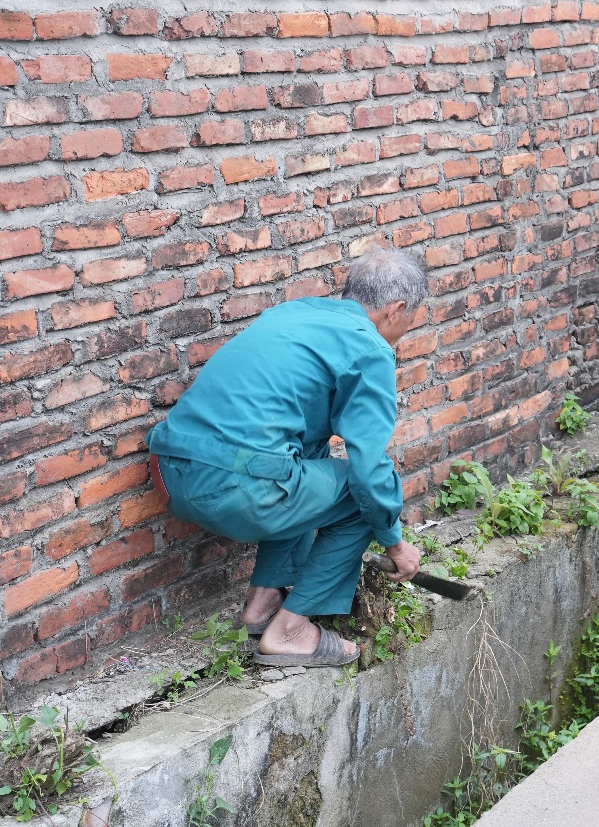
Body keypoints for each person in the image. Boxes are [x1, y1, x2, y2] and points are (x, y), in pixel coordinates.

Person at [146, 249, 428, 668]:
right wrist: (395, 542)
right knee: (358, 497)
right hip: (235, 486)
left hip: (168, 470)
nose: (405, 330)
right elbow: (369, 472)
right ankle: (290, 631)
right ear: (397, 309)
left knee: (307, 459)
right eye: (411, 319)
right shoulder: (370, 349)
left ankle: (261, 605)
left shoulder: (293, 314)